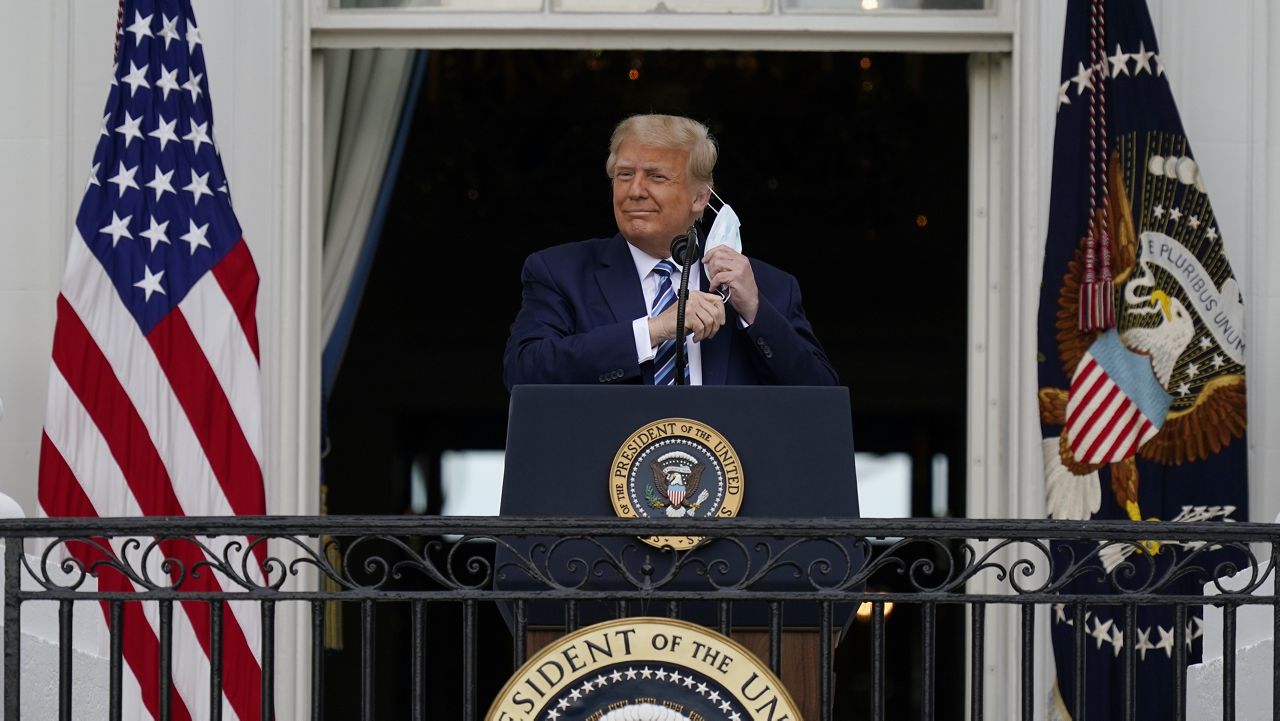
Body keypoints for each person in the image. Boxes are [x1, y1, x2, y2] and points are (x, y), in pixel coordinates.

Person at [502, 113, 838, 389]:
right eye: (624, 175)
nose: (635, 191)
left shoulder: (766, 285)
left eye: (656, 177)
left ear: (699, 198)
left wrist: (754, 309)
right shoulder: (560, 271)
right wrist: (655, 329)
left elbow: (821, 396)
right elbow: (524, 371)